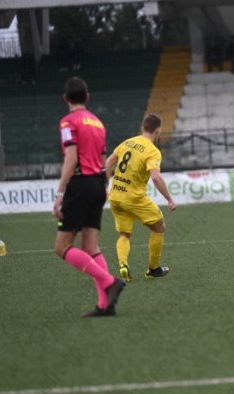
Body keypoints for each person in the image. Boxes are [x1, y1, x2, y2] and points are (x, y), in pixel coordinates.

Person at [53, 77, 125, 317]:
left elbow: (71, 159)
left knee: (62, 246)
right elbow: (104, 160)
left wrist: (60, 192)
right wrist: (103, 186)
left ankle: (109, 281)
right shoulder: (97, 123)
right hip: (98, 183)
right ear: (88, 97)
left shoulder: (68, 122)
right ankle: (105, 305)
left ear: (65, 99)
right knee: (91, 246)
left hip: (81, 183)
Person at [106, 113, 177, 282]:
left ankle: (123, 264)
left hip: (116, 196)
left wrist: (104, 185)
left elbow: (109, 162)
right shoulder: (153, 151)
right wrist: (169, 199)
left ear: (143, 127)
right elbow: (156, 177)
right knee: (159, 227)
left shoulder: (128, 142)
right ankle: (153, 269)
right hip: (134, 198)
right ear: (158, 131)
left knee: (124, 234)